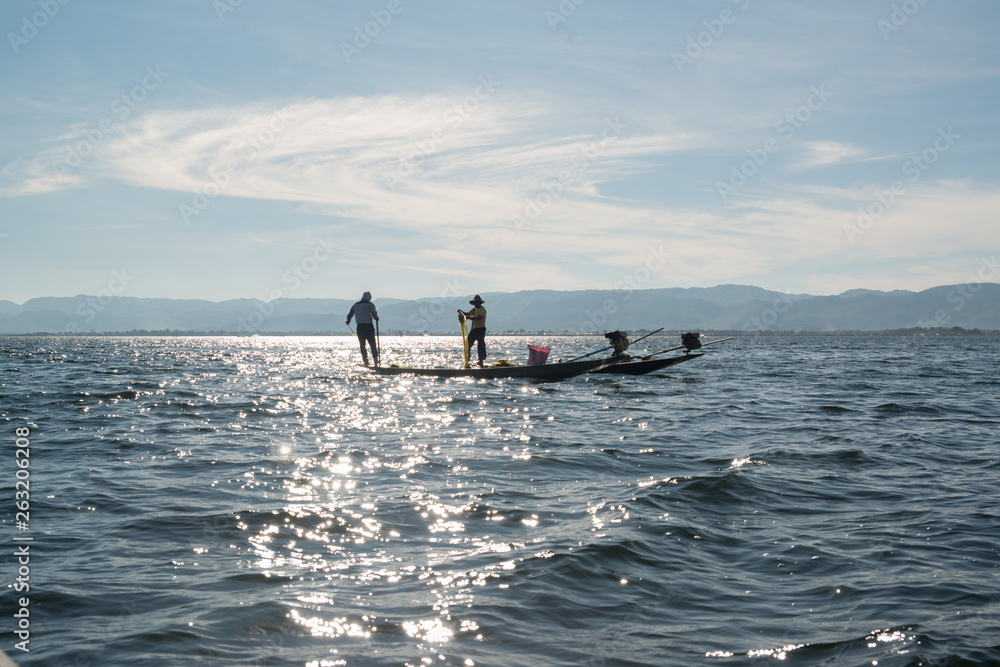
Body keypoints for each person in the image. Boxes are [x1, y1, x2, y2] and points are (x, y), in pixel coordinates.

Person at [346, 291, 379, 366]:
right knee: (372, 345)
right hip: (368, 327)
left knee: (362, 345)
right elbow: (374, 313)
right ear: (369, 298)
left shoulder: (356, 305)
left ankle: (365, 361)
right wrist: (376, 318)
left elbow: (350, 314)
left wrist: (348, 321)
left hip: (360, 327)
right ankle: (376, 361)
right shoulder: (370, 304)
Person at [459, 294, 487, 367]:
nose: (475, 304)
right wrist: (461, 312)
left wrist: (470, 318)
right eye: (474, 303)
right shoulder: (474, 309)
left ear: (479, 303)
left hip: (481, 329)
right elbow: (468, 314)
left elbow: (479, 317)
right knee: (467, 344)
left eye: (476, 303)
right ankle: (467, 359)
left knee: (481, 345)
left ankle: (481, 361)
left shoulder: (483, 310)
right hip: (474, 329)